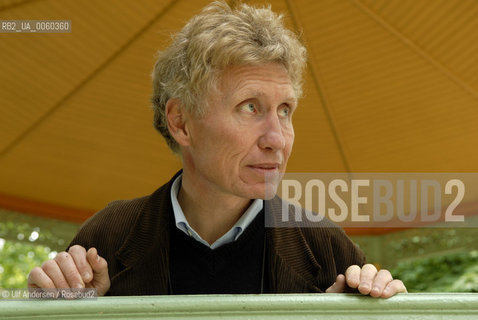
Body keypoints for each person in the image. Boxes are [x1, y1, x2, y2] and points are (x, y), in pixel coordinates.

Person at [28, 1, 406, 298]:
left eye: (285, 110)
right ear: (181, 122)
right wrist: (56, 313)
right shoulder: (108, 236)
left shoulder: (326, 247)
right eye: (250, 107)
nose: (277, 138)